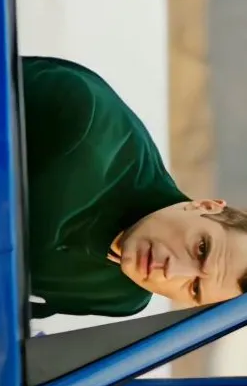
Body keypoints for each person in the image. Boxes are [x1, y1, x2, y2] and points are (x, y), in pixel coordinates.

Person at [23, 56, 247, 319]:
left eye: (194, 288)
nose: (172, 272)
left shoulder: (121, 298)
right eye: (200, 249)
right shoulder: (85, 116)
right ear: (206, 206)